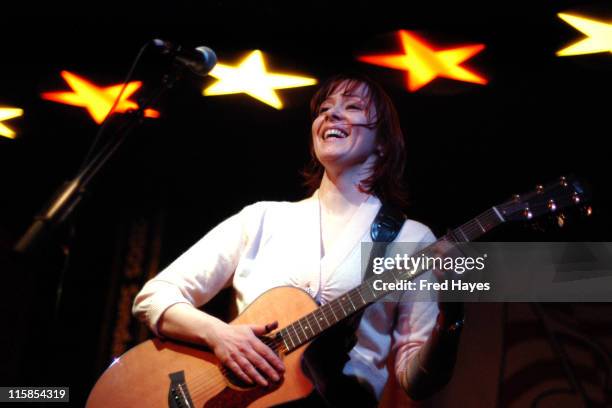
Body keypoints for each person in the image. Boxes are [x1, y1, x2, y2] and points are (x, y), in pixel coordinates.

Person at [132, 73, 463, 406]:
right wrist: (221, 336)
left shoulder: (412, 239)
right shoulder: (263, 218)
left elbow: (416, 381)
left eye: (352, 107)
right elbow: (153, 297)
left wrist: (451, 318)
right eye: (325, 108)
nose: (331, 114)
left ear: (383, 141)